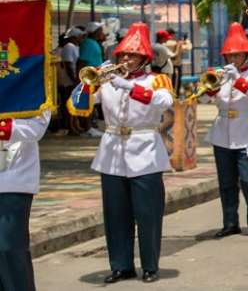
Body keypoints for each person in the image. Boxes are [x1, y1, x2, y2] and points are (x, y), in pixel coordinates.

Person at [68, 22, 174, 284]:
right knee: (115, 214)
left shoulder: (156, 79)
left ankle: (150, 265)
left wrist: (126, 86)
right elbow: (76, 106)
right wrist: (89, 81)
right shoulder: (106, 80)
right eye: (122, 55)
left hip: (145, 150)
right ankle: (121, 265)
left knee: (147, 214)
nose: (125, 59)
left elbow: (164, 102)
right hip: (112, 150)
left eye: (132, 55)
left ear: (144, 58)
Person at [200, 22, 248, 239]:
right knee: (226, 183)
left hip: (246, 132)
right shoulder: (219, 75)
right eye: (230, 55)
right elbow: (202, 97)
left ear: (247, 55)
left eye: (237, 55)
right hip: (221, 133)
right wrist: (214, 85)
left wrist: (238, 80)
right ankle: (230, 223)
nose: (233, 59)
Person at [0, 111, 51, 291]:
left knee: (9, 247)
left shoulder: (33, 86)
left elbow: (37, 127)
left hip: (13, 177)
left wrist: (3, 127)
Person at [165, 28, 191, 96]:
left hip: (165, 68)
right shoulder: (176, 44)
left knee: (167, 84)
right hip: (175, 67)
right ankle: (175, 99)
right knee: (175, 86)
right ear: (172, 35)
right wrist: (187, 41)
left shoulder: (163, 44)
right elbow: (188, 47)